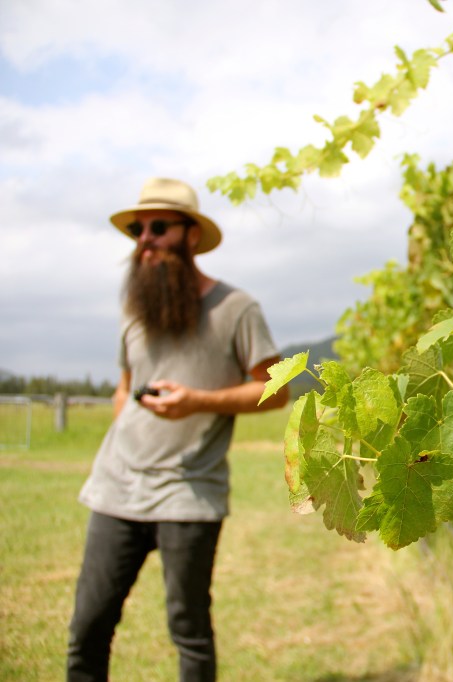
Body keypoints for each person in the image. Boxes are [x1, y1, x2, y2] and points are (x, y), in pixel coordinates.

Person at [66, 177, 289, 681]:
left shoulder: (237, 309)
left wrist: (198, 403)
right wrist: (128, 418)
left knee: (188, 630)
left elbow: (277, 390)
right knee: (88, 626)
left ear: (191, 235)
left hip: (190, 494)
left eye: (158, 227)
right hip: (115, 487)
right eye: (138, 230)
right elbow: (124, 385)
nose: (145, 238)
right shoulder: (135, 311)